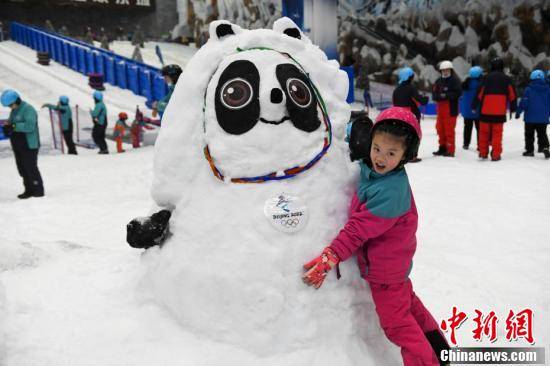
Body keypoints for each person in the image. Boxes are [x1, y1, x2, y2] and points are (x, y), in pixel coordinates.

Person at [302, 107, 450, 366]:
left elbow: (358, 230)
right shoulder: (380, 172)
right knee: (410, 308)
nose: (381, 158)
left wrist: (330, 256)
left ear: (406, 156)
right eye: (377, 148)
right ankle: (440, 351)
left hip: (385, 274)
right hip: (395, 267)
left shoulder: (390, 192)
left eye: (391, 153)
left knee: (398, 326)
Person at [1, 90, 44, 199]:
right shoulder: (14, 111)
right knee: (22, 168)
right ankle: (28, 190)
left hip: (29, 144)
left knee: (30, 168)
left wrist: (14, 126)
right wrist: (7, 126)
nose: (10, 107)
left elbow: (30, 126)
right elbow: (12, 123)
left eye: (11, 104)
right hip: (18, 144)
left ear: (17, 100)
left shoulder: (28, 109)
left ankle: (38, 191)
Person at [472, 57, 517, 161]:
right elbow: (512, 95)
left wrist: (474, 105)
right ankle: (496, 155)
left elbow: (479, 93)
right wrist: (513, 107)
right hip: (499, 113)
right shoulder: (507, 79)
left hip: (485, 112)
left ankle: (483, 153)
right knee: (497, 134)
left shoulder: (486, 78)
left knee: (483, 133)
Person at [393, 67, 429, 162]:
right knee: (414, 135)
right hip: (411, 115)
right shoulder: (411, 88)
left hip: (398, 116)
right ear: (409, 77)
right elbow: (420, 100)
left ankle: (401, 155)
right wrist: (425, 98)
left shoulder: (396, 89)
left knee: (401, 136)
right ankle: (412, 156)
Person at [515, 70, 550, 159]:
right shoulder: (548, 89)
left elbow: (524, 103)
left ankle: (529, 150)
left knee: (529, 135)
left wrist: (518, 112)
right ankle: (544, 147)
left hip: (530, 118)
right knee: (542, 134)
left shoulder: (528, 89)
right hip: (543, 118)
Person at [432, 60, 462, 157]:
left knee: (449, 130)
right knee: (440, 129)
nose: (445, 72)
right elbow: (434, 95)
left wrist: (446, 95)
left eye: (447, 70)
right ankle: (442, 148)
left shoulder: (455, 80)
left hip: (451, 109)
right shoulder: (438, 81)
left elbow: (458, 93)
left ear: (451, 70)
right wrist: (440, 96)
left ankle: (450, 150)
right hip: (440, 110)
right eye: (443, 70)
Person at [460, 66, 483, 150]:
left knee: (467, 128)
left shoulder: (466, 83)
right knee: (479, 129)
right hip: (477, 110)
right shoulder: (480, 84)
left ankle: (466, 143)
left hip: (466, 111)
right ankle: (480, 145)